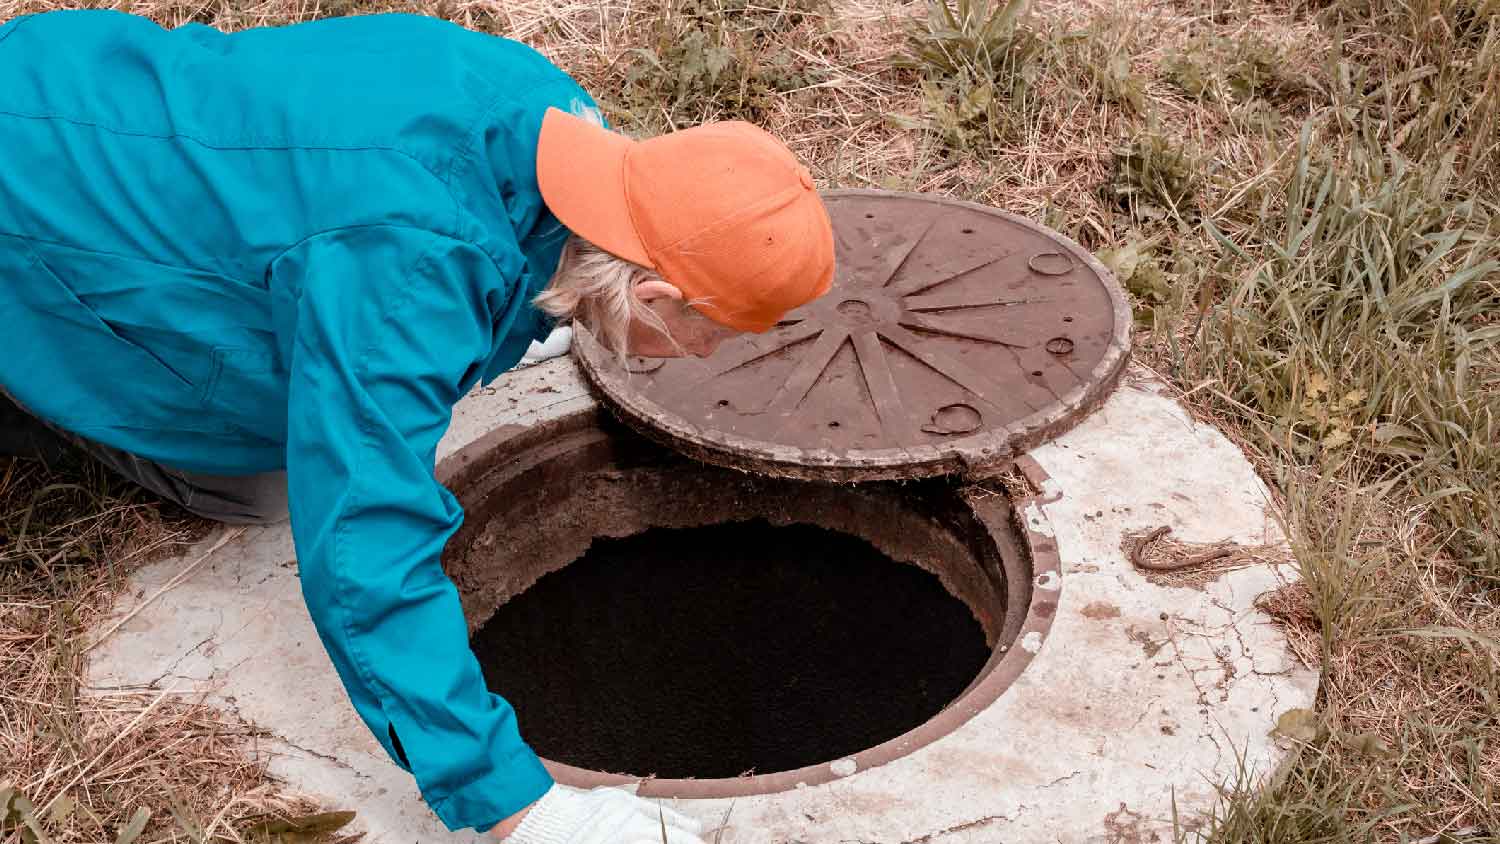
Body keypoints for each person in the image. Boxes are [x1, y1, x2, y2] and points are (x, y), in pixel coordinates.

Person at [0, 8, 834, 842]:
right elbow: (365, 546)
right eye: (712, 333)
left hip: (73, 84)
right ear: (650, 294)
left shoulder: (552, 120)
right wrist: (519, 808)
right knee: (260, 485)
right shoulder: (408, 273)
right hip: (31, 211)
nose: (704, 356)